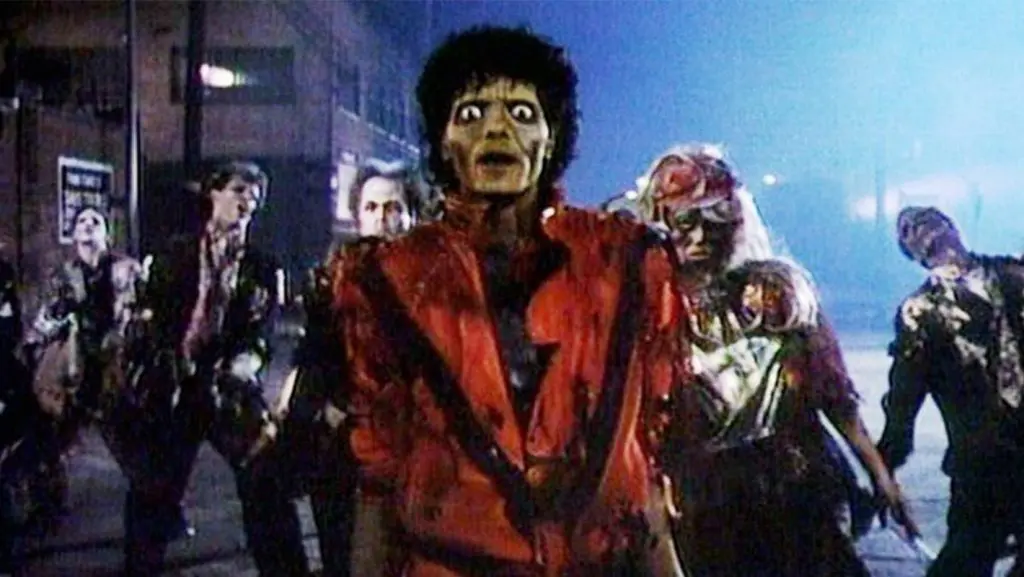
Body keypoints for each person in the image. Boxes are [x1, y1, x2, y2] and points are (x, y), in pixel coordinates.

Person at [324, 25, 698, 576]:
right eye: (471, 113)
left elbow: (642, 458)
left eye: (522, 113)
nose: (497, 128)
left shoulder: (625, 263)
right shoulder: (392, 278)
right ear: (444, 142)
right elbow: (379, 468)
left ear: (552, 139)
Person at [637, 144, 917, 576]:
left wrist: (880, 474)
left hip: (792, 482)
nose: (701, 237)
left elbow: (833, 394)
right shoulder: (645, 311)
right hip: (704, 500)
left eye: (715, 220)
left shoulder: (776, 291)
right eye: (686, 221)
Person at [122, 161, 308, 576]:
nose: (248, 201)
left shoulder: (263, 266)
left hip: (229, 388)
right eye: (239, 190)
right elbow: (151, 315)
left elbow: (264, 330)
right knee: (151, 489)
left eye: (255, 196)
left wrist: (249, 362)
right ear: (214, 193)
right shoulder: (176, 253)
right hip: (177, 384)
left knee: (264, 478)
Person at [274, 161, 424, 577]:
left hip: (410, 435)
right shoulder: (336, 275)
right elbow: (317, 350)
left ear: (412, 214)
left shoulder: (433, 277)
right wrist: (324, 406)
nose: (382, 218)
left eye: (393, 208)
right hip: (345, 432)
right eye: (371, 207)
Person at [878, 205, 1024, 577]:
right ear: (912, 254)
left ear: (953, 226)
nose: (924, 230)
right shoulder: (920, 311)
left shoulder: (1013, 275)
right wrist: (884, 467)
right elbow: (903, 398)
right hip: (983, 465)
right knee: (965, 559)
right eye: (910, 230)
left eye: (932, 221)